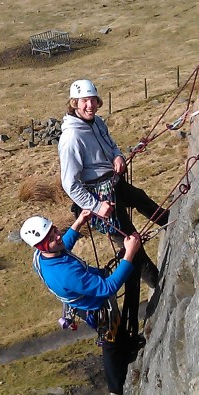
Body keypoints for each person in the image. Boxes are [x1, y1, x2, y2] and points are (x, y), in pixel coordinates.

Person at [58, 78, 168, 288]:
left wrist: (117, 156)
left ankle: (170, 221)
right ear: (74, 104)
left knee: (140, 198)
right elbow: (69, 184)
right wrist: (97, 207)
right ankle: (158, 283)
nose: (89, 105)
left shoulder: (97, 123)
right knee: (129, 239)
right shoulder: (71, 138)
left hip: (114, 182)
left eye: (92, 100)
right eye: (84, 101)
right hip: (98, 196)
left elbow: (111, 146)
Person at [20, 209, 142, 395]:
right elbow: (107, 288)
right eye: (52, 237)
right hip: (96, 307)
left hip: (84, 303)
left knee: (116, 337)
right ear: (42, 246)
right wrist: (129, 255)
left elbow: (63, 246)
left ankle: (127, 346)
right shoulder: (65, 274)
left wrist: (79, 223)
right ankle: (116, 388)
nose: (58, 236)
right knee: (110, 343)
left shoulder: (41, 256)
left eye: (55, 230)